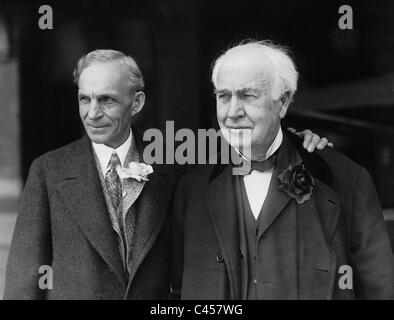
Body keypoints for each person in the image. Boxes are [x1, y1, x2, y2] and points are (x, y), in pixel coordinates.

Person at [4, 49, 329, 300]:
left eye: (107, 100)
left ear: (137, 102)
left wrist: (298, 142)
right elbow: (23, 280)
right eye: (84, 99)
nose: (92, 113)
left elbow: (249, 151)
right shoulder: (49, 171)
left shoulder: (173, 161)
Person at [171, 40, 394, 300]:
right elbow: (177, 292)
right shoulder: (192, 188)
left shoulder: (344, 179)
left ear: (283, 102)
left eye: (248, 95)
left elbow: (381, 291)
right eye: (224, 96)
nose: (232, 112)